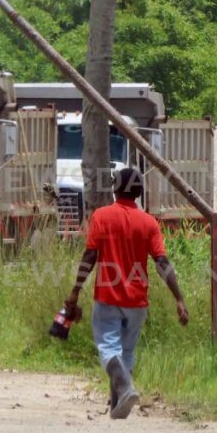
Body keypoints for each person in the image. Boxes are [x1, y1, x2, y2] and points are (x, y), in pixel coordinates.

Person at [63, 168, 189, 419]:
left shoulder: (102, 216)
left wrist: (75, 292)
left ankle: (126, 390)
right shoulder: (149, 223)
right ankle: (118, 405)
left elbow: (90, 255)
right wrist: (179, 298)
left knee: (109, 350)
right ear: (139, 192)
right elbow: (162, 262)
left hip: (108, 297)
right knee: (126, 352)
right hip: (137, 301)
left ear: (115, 189)